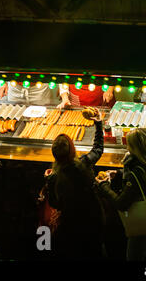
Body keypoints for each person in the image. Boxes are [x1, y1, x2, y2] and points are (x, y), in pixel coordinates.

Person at [95, 128, 146, 261]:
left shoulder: (137, 172)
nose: (127, 147)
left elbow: (121, 203)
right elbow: (141, 181)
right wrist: (120, 174)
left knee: (134, 257)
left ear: (135, 148)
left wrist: (103, 186)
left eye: (129, 145)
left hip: (141, 219)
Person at [44, 107, 106, 259]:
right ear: (72, 149)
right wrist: (98, 123)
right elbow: (98, 148)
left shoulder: (54, 177)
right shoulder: (84, 163)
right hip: (93, 217)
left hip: (71, 223)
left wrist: (47, 180)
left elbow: (54, 203)